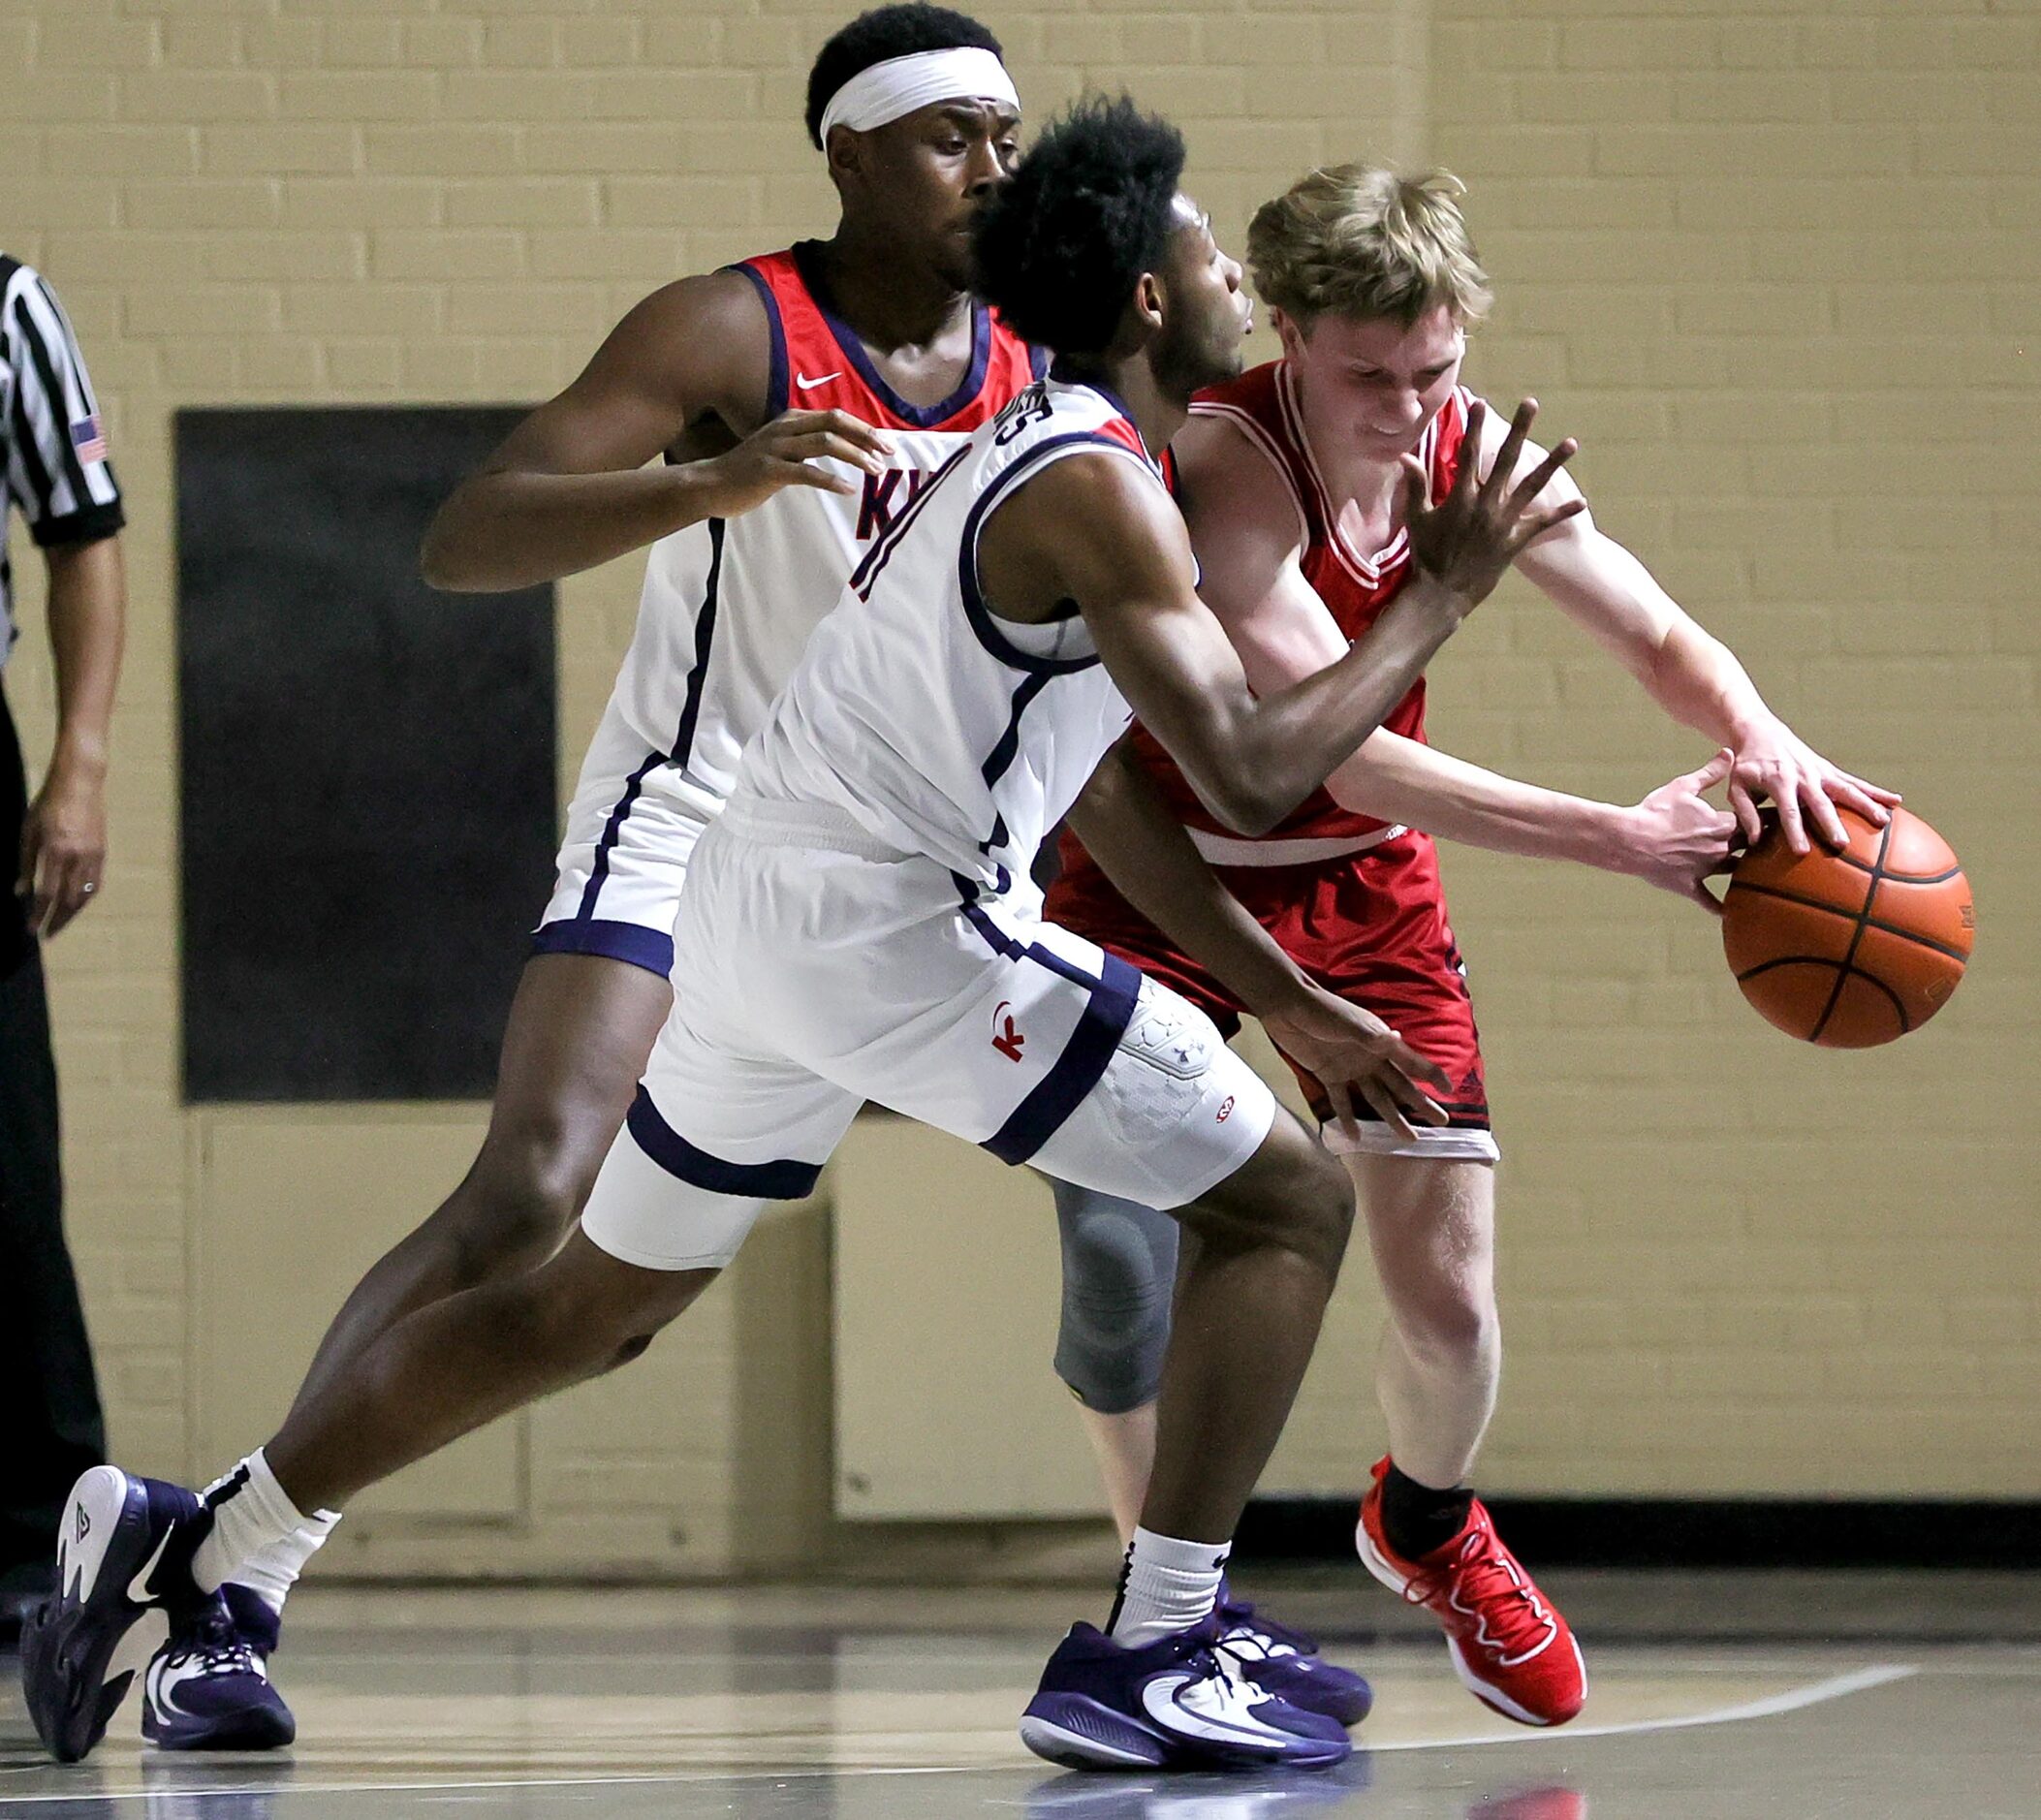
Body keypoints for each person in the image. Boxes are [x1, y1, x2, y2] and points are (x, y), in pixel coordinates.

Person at [23, 96, 1582, 1773]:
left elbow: (1111, 797)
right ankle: (1160, 1641)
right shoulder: (1102, 491)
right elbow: (1253, 770)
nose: (1234, 284)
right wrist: (1439, 588)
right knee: (1283, 1201)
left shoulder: (1041, 449)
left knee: (591, 1305)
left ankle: (203, 1543)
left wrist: (1283, 993)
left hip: (761, 917)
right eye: (1208, 257)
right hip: (890, 922)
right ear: (1146, 294)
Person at [1042, 164, 1897, 1728]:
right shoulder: (1230, 459)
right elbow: (1324, 753)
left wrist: (1761, 732)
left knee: (1445, 1297)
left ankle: (1424, 1522)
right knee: (1121, 1261)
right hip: (1154, 878)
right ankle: (1170, 1602)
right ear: (1284, 332)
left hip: (1354, 895)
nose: (1403, 404)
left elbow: (1645, 626)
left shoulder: (1463, 444)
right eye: (1366, 375)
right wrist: (1616, 835)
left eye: (1432, 369)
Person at [0, 255, 124, 1643]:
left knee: (5, 1168)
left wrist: (75, 764)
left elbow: (83, 528)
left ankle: (44, 1545)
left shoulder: (9, 308)